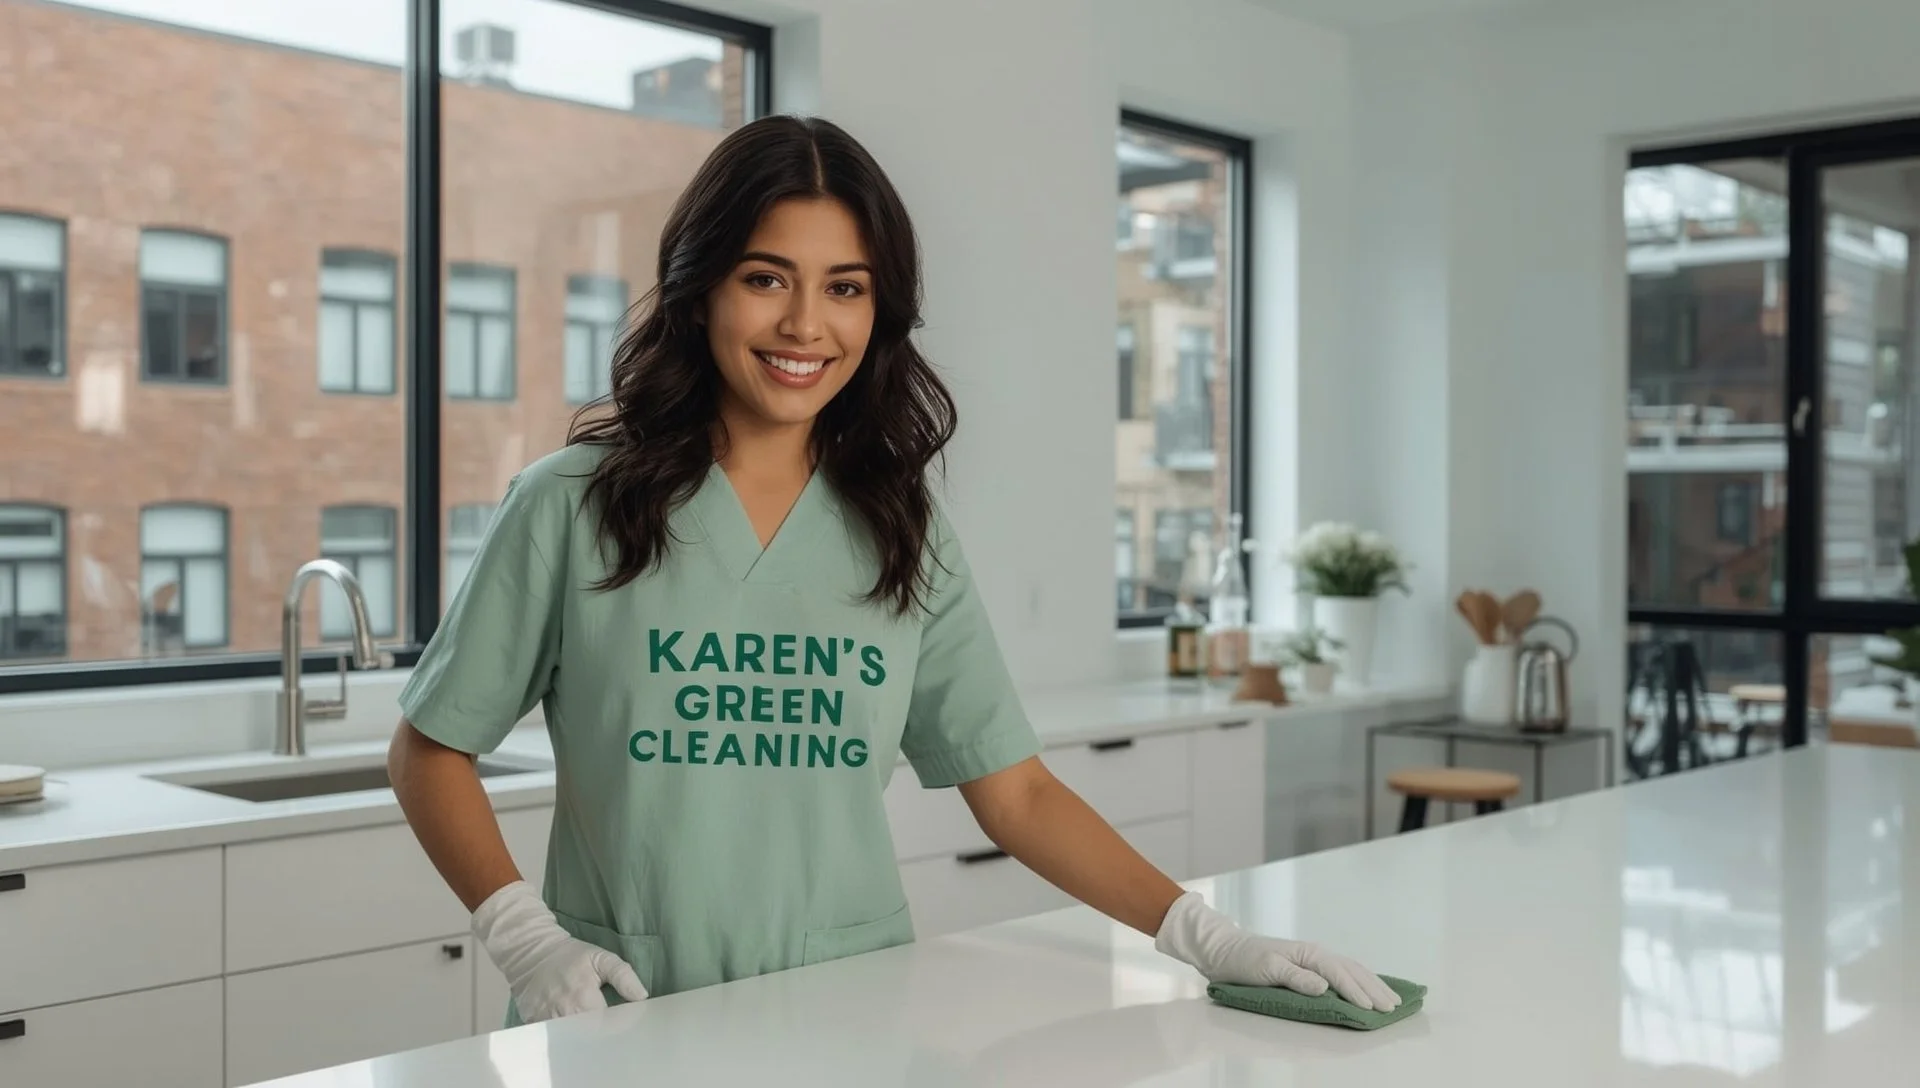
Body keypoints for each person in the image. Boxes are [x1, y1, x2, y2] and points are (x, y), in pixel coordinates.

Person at [387, 114, 1399, 1028]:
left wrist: (1208, 934)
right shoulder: (572, 503)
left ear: (880, 312)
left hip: (850, 1003)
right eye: (766, 277)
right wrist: (524, 932)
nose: (803, 326)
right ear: (701, 295)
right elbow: (430, 748)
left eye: (846, 287)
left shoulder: (898, 525)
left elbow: (1019, 792)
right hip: (627, 1004)